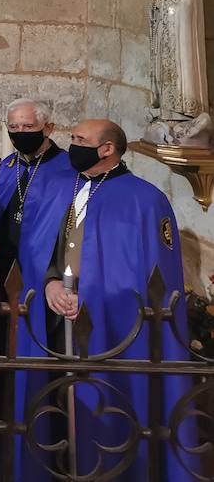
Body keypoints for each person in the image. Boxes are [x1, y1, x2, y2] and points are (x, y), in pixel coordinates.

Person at [15, 120, 197, 481]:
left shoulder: (145, 200)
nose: (71, 145)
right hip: (54, 316)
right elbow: (40, 250)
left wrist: (92, 296)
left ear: (107, 150)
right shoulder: (58, 187)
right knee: (56, 402)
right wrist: (49, 284)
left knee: (107, 408)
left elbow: (154, 279)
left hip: (114, 327)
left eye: (80, 140)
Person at [0, 99, 68, 298]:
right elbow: (0, 214)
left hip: (43, 264)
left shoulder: (67, 168)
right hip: (5, 262)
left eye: (28, 126)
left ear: (48, 128)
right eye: (13, 126)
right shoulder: (9, 165)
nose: (20, 132)